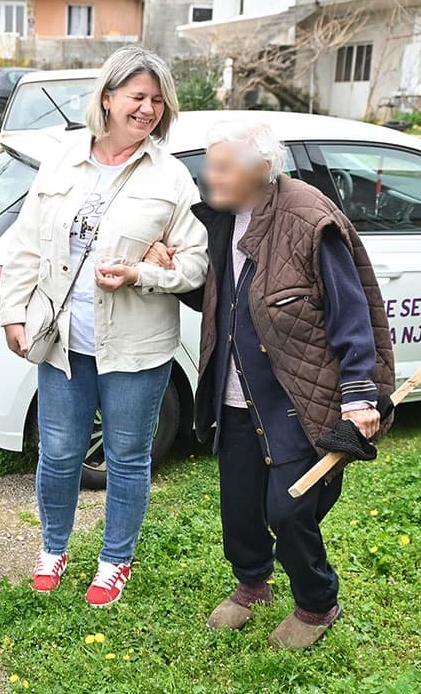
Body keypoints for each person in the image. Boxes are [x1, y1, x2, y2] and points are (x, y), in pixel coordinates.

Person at [150, 119, 395, 650]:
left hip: (297, 399)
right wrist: (168, 269)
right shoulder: (221, 217)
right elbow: (217, 298)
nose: (209, 177)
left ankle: (317, 602)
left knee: (289, 509)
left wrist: (359, 395)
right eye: (209, 166)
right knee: (239, 506)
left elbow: (351, 310)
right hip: (235, 396)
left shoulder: (309, 219)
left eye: (222, 168)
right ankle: (252, 584)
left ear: (262, 169)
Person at [0, 46, 208, 608]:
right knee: (59, 453)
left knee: (128, 457)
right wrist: (12, 311)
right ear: (108, 99)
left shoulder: (171, 176)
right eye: (138, 96)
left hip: (137, 348)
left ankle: (115, 561)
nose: (148, 109)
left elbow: (196, 264)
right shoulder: (63, 161)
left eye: (158, 101)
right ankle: (53, 548)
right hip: (63, 341)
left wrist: (142, 274)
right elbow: (26, 244)